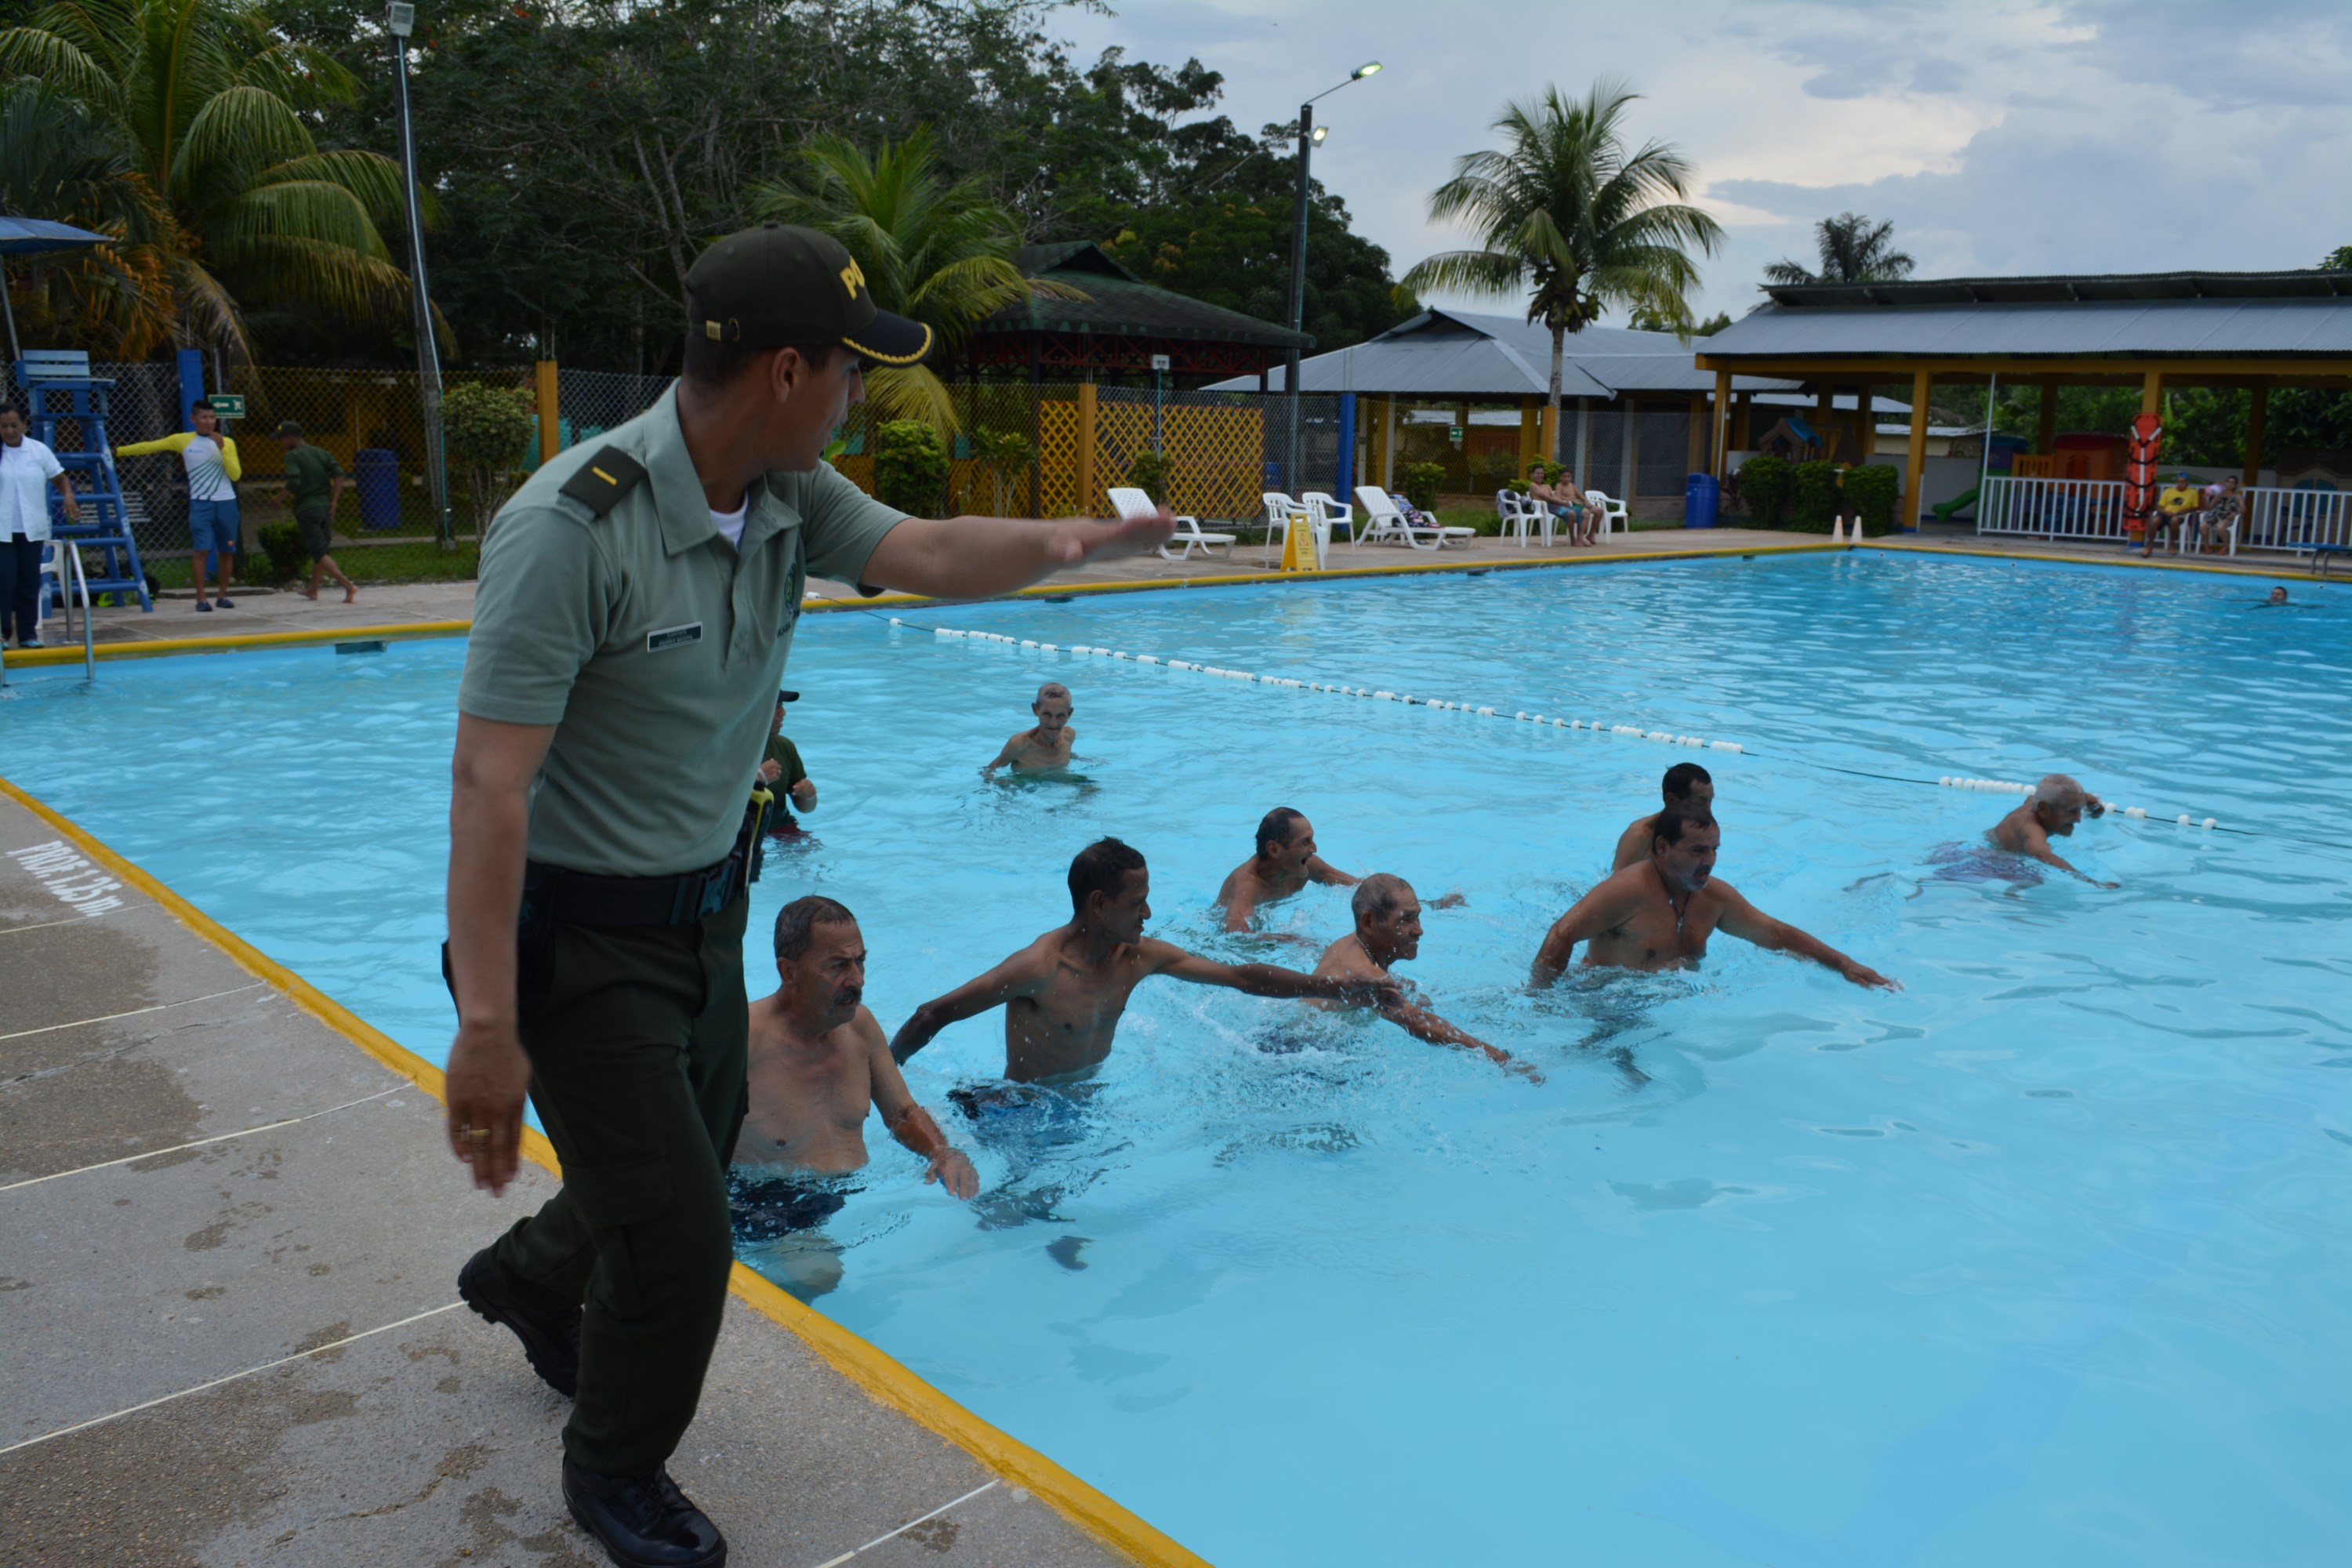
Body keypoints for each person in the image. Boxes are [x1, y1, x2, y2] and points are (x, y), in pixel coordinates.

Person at [438, 222, 1171, 1568]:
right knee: (682, 1236)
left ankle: (529, 1281)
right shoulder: (569, 528)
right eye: (849, 369)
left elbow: (937, 554)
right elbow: (490, 785)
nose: (857, 394)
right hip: (576, 938)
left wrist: (1086, 543)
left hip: (706, 916)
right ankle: (612, 1473)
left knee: (676, 1149)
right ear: (787, 369)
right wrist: (488, 1022)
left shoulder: (791, 494)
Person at [888, 837, 1399, 1083]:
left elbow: (1241, 977)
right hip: (1025, 1106)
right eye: (1137, 904)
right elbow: (933, 1014)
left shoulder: (1138, 957)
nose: (1150, 913)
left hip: (1084, 1097)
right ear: (1098, 904)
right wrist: (885, 1081)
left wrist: (1339, 989)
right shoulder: (1038, 968)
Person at [731, 898, 977, 1292]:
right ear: (788, 971)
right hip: (762, 1205)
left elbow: (900, 1112)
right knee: (822, 1277)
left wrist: (942, 1152)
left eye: (860, 962)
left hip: (841, 1196)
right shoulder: (744, 1040)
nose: (858, 979)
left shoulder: (859, 1027)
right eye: (838, 966)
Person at [1531, 803, 1897, 989]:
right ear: (1662, 846)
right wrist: (1541, 1000)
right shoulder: (1626, 891)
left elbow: (1777, 935)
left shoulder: (1713, 898)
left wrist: (1844, 963)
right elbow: (1562, 933)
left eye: (1714, 850)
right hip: (1602, 1002)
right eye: (1696, 852)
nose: (1709, 862)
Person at [1312, 873, 1532, 1077]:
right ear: (1369, 923)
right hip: (1309, 1053)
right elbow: (1417, 1022)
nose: (1419, 930)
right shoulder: (1369, 976)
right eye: (1406, 920)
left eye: (1417, 918)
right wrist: (1499, 1058)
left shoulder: (1350, 945)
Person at [118, 399, 241, 611]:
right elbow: (151, 446)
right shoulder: (183, 440)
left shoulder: (227, 442)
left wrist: (223, 449)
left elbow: (235, 474)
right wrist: (118, 452)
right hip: (201, 503)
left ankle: (222, 595)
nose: (209, 422)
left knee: (227, 550)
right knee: (202, 550)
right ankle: (201, 599)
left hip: (226, 502)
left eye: (212, 417)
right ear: (194, 419)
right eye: (204, 418)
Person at [0, 401, 79, 650]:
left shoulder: (38, 451)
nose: (10, 431)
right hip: (2, 530)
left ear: (24, 424)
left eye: (14, 425)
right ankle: (2, 634)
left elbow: (60, 478)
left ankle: (27, 634)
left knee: (28, 581)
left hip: (31, 529)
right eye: (3, 426)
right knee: (5, 579)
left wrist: (68, 496)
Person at [1217, 807, 1359, 931]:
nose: (1314, 849)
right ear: (1274, 849)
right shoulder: (1246, 885)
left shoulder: (1305, 865)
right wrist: (1288, 940)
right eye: (1305, 842)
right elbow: (1235, 933)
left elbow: (1357, 886)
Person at [275, 421, 358, 604]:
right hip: (324, 508)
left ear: (290, 438)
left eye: (281, 439)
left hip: (307, 509)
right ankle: (313, 589)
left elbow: (294, 482)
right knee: (320, 549)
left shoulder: (292, 456)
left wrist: (279, 498)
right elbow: (339, 474)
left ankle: (347, 586)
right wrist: (334, 501)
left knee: (319, 552)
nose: (280, 443)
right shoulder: (322, 453)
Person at [1989, 773, 2114, 887]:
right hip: (1996, 858)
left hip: (1995, 835)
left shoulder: (2038, 801)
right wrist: (2093, 882)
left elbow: (2087, 799)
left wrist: (2095, 808)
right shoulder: (2032, 830)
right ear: (2044, 810)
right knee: (2038, 879)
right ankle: (2012, 895)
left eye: (2080, 810)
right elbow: (2042, 854)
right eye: (2072, 812)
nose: (2078, 819)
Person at [1612, 762, 1715, 871]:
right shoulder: (1639, 837)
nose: (1709, 812)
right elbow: (1614, 885)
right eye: (1701, 802)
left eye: (1710, 801)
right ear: (1672, 801)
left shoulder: (1695, 835)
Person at [980, 681, 1074, 777]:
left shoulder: (1069, 736)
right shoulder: (1020, 744)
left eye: (1060, 716)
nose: (1053, 723)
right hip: (1024, 786)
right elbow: (989, 770)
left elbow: (1068, 753)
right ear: (1035, 710)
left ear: (1069, 714)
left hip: (1058, 779)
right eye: (1047, 714)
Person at [758, 690, 818, 837]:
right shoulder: (726, 750)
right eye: (776, 706)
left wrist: (808, 795)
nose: (783, 712)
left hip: (780, 825)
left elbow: (804, 808)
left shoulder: (784, 746)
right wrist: (758, 779)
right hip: (739, 830)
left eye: (782, 705)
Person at [2144, 474, 2202, 557]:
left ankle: (2172, 545)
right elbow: (2160, 507)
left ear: (2187, 483)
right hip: (2166, 513)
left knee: (2175, 520)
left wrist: (2183, 511)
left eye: (2183, 482)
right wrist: (2167, 513)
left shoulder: (2193, 493)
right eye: (2178, 481)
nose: (2180, 484)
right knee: (2155, 521)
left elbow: (2195, 508)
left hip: (2180, 515)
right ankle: (2149, 546)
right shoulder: (2168, 491)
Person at [2193, 474, 2241, 554]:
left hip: (2227, 517)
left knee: (2220, 527)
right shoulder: (2219, 495)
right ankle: (2207, 545)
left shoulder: (2237, 497)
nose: (2229, 484)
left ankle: (2225, 547)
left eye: (2232, 483)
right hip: (2215, 515)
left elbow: (2243, 509)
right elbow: (2209, 508)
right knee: (2202, 526)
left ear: (2235, 485)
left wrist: (2235, 513)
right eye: (2228, 482)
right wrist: (2205, 499)